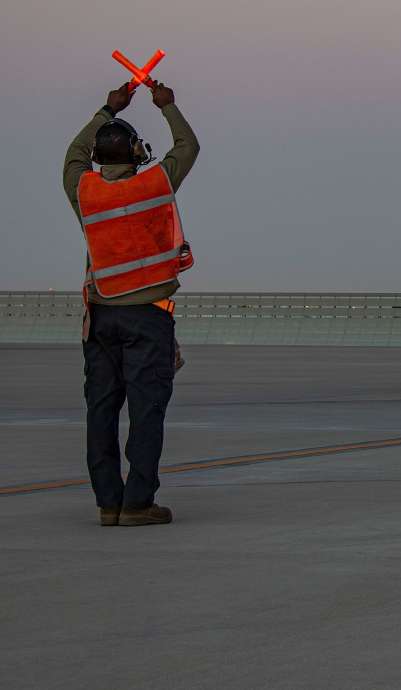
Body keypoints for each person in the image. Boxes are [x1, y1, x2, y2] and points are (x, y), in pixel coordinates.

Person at [63, 80, 199, 526]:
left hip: (100, 318)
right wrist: (168, 106)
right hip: (147, 318)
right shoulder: (154, 185)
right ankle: (138, 502)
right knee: (146, 411)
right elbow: (188, 145)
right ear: (138, 153)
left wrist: (107, 108)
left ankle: (108, 502)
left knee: (101, 410)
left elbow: (73, 156)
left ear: (99, 158)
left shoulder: (85, 192)